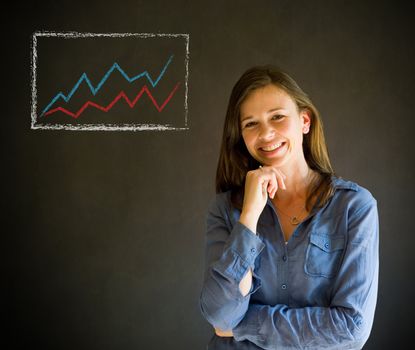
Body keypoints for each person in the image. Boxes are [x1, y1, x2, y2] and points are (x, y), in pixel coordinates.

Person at [199, 65, 379, 349]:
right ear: (241, 136)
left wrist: (243, 325)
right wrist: (248, 217)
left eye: (278, 117)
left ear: (305, 121)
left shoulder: (354, 207)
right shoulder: (225, 209)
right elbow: (221, 314)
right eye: (251, 124)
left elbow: (352, 328)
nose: (266, 134)